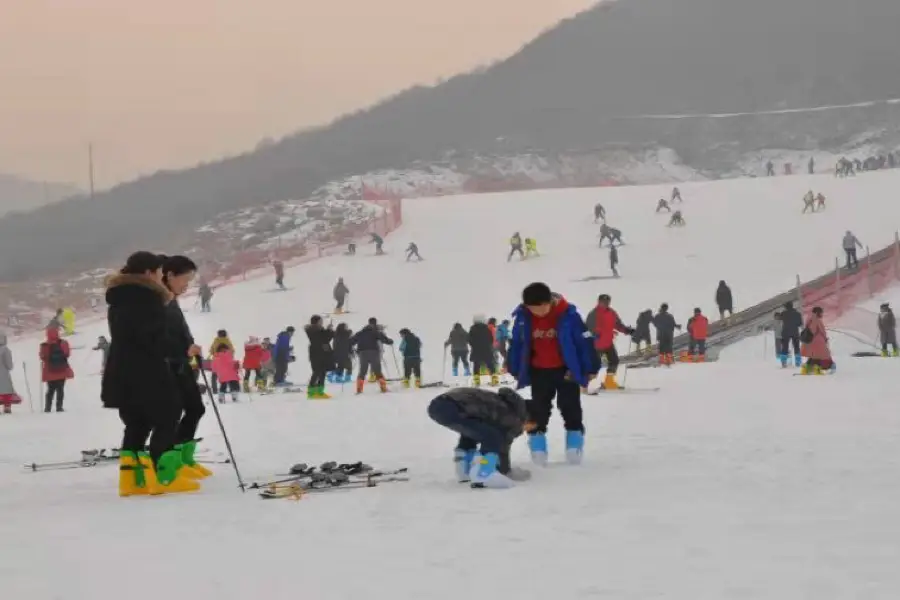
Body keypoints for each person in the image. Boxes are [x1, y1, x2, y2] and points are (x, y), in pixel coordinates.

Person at [102, 251, 199, 496]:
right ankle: (163, 476)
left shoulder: (120, 297)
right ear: (148, 273)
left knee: (137, 422)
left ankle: (131, 480)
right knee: (168, 414)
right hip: (147, 369)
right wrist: (182, 349)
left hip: (122, 369)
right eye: (158, 272)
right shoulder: (148, 298)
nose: (160, 277)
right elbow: (152, 338)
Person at [508, 282, 597, 466]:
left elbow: (584, 343)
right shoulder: (523, 318)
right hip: (539, 371)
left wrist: (590, 368)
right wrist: (515, 367)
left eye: (541, 308)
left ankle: (574, 448)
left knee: (570, 407)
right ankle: (538, 449)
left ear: (549, 302)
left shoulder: (569, 315)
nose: (538, 312)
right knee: (538, 410)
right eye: (533, 309)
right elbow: (517, 343)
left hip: (566, 370)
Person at [161, 255, 211, 479]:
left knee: (196, 408)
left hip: (182, 363)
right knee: (172, 414)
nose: (186, 285)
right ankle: (169, 463)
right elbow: (158, 338)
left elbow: (179, 330)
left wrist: (191, 345)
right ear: (170, 275)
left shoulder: (172, 299)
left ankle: (183, 457)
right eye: (185, 279)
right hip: (167, 366)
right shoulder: (158, 301)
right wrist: (183, 350)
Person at [427, 386, 532, 488]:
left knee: (474, 433)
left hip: (438, 404)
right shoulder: (511, 414)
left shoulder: (497, 402)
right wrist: (505, 470)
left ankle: (464, 469)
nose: (526, 430)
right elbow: (504, 441)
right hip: (453, 407)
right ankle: (484, 473)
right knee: (493, 436)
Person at [585, 294, 634, 389]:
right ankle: (589, 383)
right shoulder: (593, 314)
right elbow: (588, 330)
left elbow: (618, 325)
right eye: (604, 302)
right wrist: (594, 334)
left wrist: (627, 330)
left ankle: (609, 382)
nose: (606, 304)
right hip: (596, 344)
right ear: (599, 302)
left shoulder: (611, 312)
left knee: (614, 361)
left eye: (607, 302)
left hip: (608, 343)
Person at [351, 318, 393, 394]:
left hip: (362, 353)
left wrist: (355, 350)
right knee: (377, 370)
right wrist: (390, 341)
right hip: (374, 352)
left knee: (362, 371)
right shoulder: (375, 332)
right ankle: (383, 388)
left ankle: (359, 389)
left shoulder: (359, 333)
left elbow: (351, 342)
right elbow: (383, 339)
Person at [39, 327, 73, 413]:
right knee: (60, 389)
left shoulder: (44, 345)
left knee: (50, 390)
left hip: (50, 371)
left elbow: (43, 357)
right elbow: (67, 354)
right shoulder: (63, 343)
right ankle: (59, 407)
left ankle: (47, 408)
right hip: (62, 370)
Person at [305, 315, 335, 399]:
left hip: (321, 353)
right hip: (317, 354)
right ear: (317, 322)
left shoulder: (318, 330)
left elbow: (325, 338)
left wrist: (328, 330)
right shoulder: (314, 330)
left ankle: (319, 392)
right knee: (317, 372)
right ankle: (311, 392)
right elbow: (325, 339)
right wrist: (329, 330)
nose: (322, 322)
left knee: (322, 372)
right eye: (321, 321)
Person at [800, 306, 834, 374]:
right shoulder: (817, 320)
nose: (822, 314)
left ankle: (806, 368)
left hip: (810, 341)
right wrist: (825, 339)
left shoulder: (808, 319)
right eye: (821, 313)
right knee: (823, 355)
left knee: (814, 356)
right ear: (817, 312)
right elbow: (821, 331)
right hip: (818, 341)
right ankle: (817, 368)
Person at [468, 315, 498, 386]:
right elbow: (491, 339)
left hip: (476, 350)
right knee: (490, 364)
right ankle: (494, 379)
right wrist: (488, 345)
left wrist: (474, 345)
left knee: (476, 365)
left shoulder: (472, 329)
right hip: (486, 349)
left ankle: (477, 381)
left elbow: (469, 340)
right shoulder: (486, 329)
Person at [0, 332, 21, 414]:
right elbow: (9, 365)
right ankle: (7, 407)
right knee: (6, 391)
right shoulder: (5, 350)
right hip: (3, 374)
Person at [779, 301, 803, 367]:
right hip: (795, 332)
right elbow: (800, 324)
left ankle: (783, 362)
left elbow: (780, 318)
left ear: (786, 307)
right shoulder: (798, 314)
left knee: (784, 347)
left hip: (785, 332)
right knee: (796, 347)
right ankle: (798, 362)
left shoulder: (783, 313)